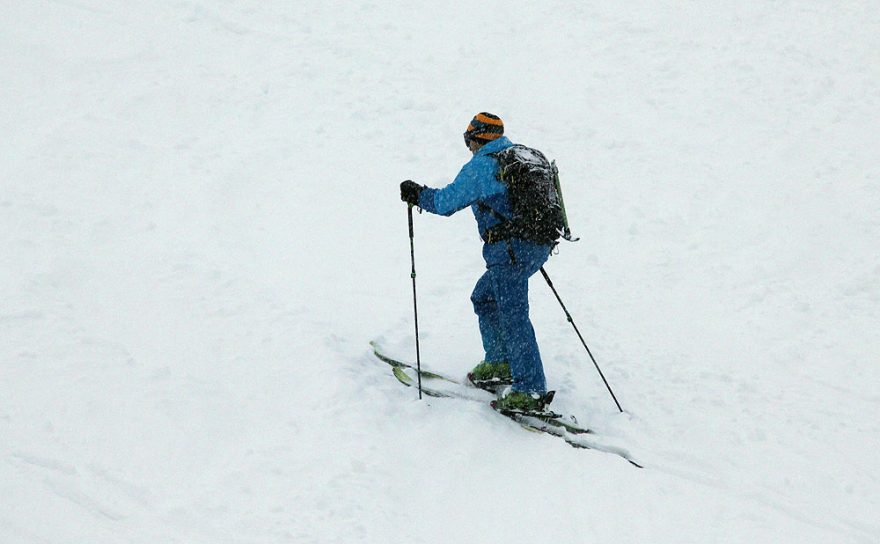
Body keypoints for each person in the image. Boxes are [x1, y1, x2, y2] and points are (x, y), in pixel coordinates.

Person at [400, 113, 553, 412]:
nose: (467, 146)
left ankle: (531, 389)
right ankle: (500, 362)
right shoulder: (521, 156)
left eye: (468, 139)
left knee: (513, 314)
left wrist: (418, 195)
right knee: (485, 298)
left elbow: (446, 203)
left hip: (509, 250)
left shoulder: (483, 165)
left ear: (478, 137)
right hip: (535, 245)